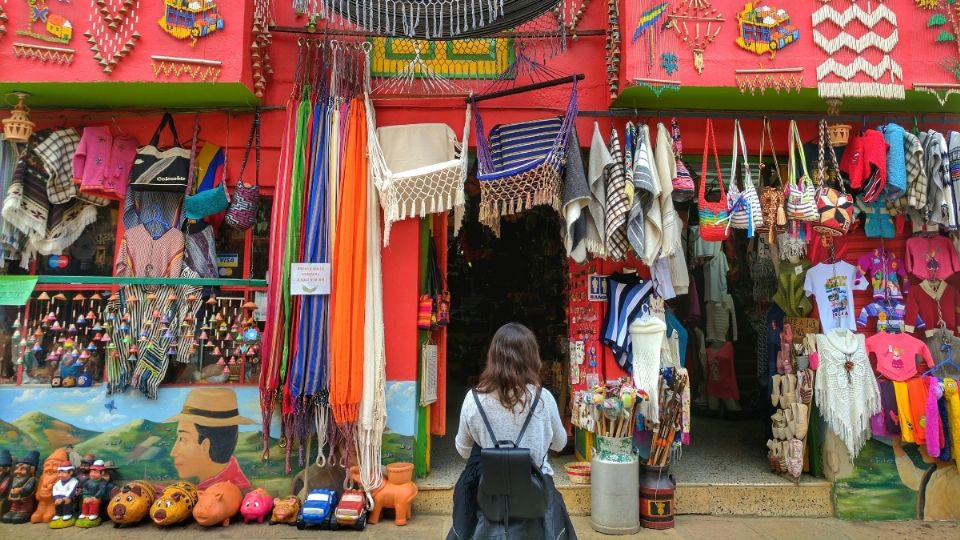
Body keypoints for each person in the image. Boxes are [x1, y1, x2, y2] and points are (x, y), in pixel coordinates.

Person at [448, 323, 576, 540]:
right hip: (538, 495)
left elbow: (463, 450)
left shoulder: (474, 399)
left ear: (493, 357)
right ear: (532, 357)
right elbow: (559, 444)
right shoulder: (543, 398)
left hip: (490, 497)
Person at [166, 387, 254, 490]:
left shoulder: (224, 495)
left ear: (205, 445)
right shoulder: (222, 486)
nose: (173, 452)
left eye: (183, 439)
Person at [892, 435, 960, 520]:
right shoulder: (931, 475)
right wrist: (897, 448)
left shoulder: (954, 480)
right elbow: (912, 478)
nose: (919, 449)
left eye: (924, 444)